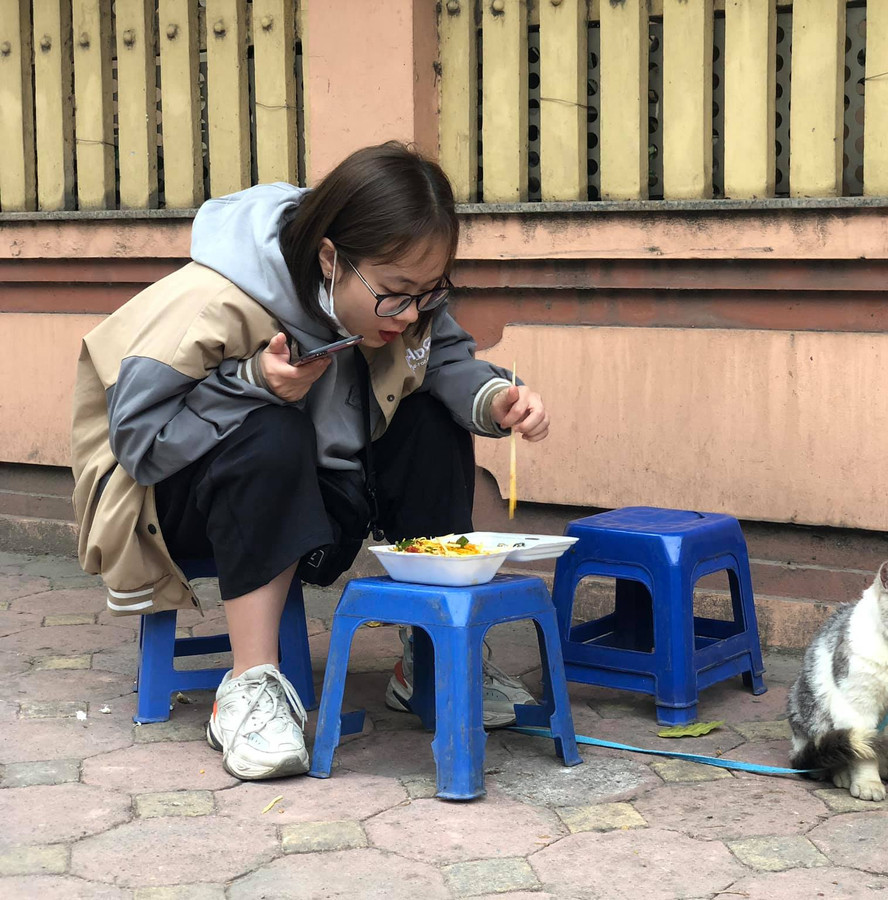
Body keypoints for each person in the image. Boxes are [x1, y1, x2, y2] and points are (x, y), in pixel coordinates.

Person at [71, 143, 548, 780]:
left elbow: (445, 361)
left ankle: (433, 660)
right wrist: (252, 384)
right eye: (396, 293)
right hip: (173, 501)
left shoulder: (401, 300)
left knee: (432, 418)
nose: (409, 314)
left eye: (428, 293)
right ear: (330, 258)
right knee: (270, 429)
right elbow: (140, 443)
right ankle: (249, 687)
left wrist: (497, 400)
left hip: (316, 493)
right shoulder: (213, 298)